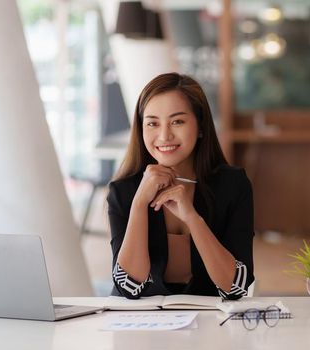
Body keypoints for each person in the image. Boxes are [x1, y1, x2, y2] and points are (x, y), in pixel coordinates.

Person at [107, 72, 254, 300]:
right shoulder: (123, 191)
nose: (164, 135)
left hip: (209, 327)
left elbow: (235, 288)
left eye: (177, 121)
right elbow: (129, 288)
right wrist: (139, 204)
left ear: (201, 126)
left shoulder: (232, 186)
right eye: (153, 123)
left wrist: (192, 218)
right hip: (137, 325)